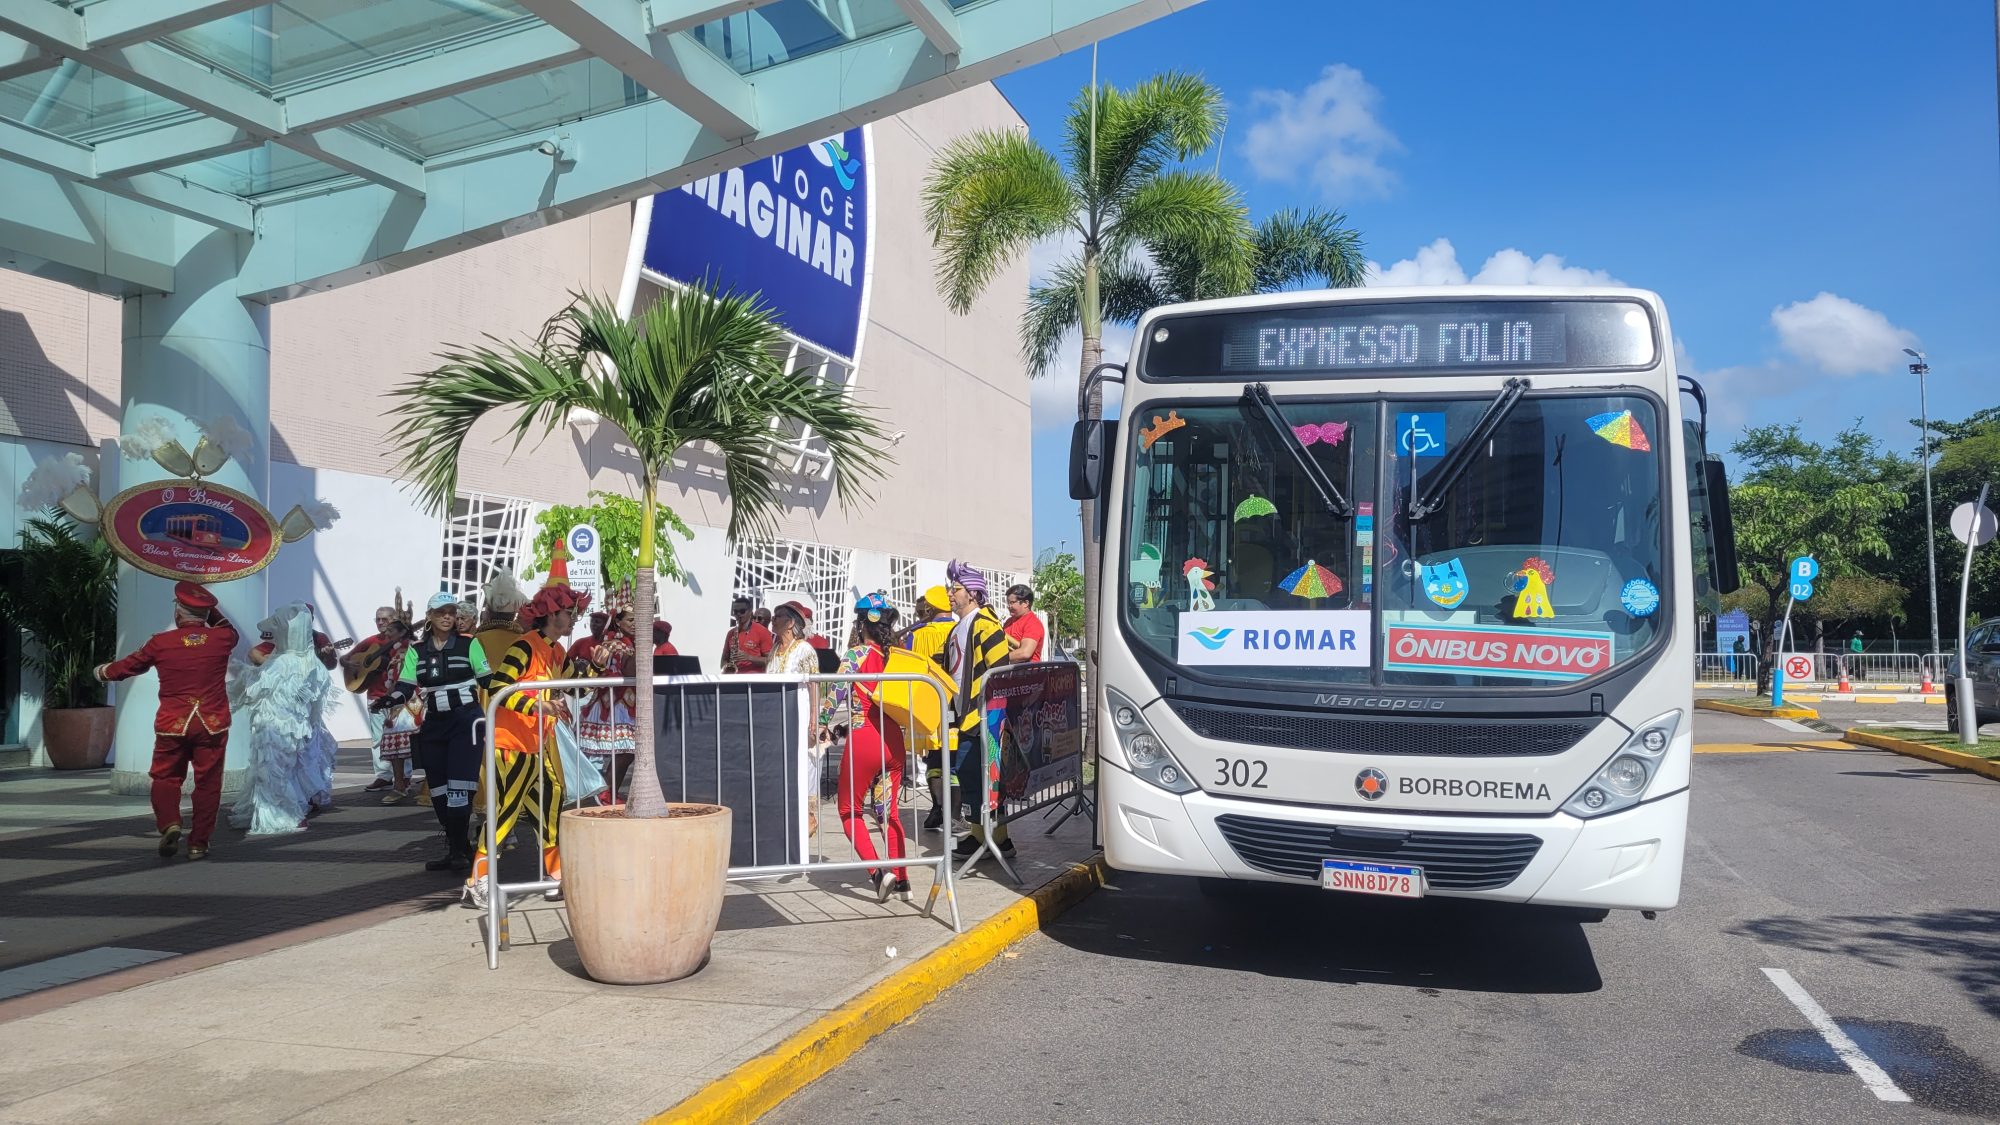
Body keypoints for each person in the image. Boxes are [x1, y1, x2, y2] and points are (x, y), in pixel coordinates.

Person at [94, 582, 237, 860]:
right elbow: (227, 626)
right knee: (208, 783)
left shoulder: (161, 643)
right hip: (212, 722)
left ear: (179, 614)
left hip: (174, 723)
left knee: (165, 777)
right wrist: (207, 604)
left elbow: (129, 666)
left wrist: (103, 672)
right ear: (206, 614)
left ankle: (170, 823)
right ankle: (198, 843)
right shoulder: (222, 640)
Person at [470, 582, 590, 907]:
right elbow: (497, 688)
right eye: (569, 612)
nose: (574, 618)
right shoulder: (524, 647)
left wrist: (598, 666)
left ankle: (555, 876)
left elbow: (576, 686)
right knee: (506, 811)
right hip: (510, 745)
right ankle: (476, 880)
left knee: (551, 803)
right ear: (552, 614)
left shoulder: (557, 651)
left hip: (535, 746)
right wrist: (538, 705)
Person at [374, 592, 493, 874]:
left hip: (466, 723)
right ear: (430, 616)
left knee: (459, 789)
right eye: (441, 612)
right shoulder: (418, 649)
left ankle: (459, 850)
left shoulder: (470, 644)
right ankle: (458, 845)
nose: (447, 616)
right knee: (438, 792)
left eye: (451, 612)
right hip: (434, 724)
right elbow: (405, 685)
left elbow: (489, 680)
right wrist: (389, 700)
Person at [228, 602, 341, 835]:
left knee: (272, 770)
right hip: (290, 730)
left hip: (274, 730)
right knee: (283, 770)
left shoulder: (282, 664)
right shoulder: (309, 665)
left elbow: (253, 688)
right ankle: (281, 808)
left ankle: (279, 813)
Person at [838, 594, 911, 903]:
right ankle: (904, 881)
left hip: (863, 739)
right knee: (887, 813)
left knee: (848, 811)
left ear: (860, 623)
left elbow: (835, 695)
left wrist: (817, 727)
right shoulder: (896, 656)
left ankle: (878, 875)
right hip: (894, 742)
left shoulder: (854, 655)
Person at [945, 560, 1015, 860]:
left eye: (956, 588)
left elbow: (1000, 672)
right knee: (973, 775)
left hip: (983, 717)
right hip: (966, 717)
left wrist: (989, 715)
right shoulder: (956, 629)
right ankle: (989, 837)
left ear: (973, 593)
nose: (950, 593)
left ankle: (991, 838)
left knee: (980, 775)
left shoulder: (986, 625)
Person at [343, 602, 418, 803]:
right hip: (376, 696)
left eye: (386, 620)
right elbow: (345, 659)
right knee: (379, 739)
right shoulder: (371, 642)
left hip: (403, 700)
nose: (382, 623)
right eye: (378, 619)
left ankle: (405, 778)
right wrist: (352, 664)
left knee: (404, 739)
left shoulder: (407, 646)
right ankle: (384, 777)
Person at [901, 587, 957, 831]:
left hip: (927, 705)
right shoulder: (962, 628)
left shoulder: (918, 634)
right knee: (954, 761)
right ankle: (953, 813)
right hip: (957, 703)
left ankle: (939, 808)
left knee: (933, 759)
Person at [576, 598, 639, 797]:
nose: (635, 623)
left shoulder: (624, 643)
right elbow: (628, 673)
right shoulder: (616, 645)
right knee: (625, 752)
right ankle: (604, 793)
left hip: (622, 703)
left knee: (625, 753)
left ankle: (607, 792)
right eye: (630, 620)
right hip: (614, 704)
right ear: (618, 622)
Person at [770, 601, 822, 831]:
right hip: (776, 718)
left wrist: (814, 721)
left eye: (778, 616)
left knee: (804, 766)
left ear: (791, 623)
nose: (773, 620)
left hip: (799, 716)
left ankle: (806, 820)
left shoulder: (804, 649)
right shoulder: (774, 649)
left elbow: (814, 685)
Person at [721, 595, 773, 674]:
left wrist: (748, 657)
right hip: (734, 678)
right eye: (735, 612)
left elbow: (771, 660)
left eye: (742, 611)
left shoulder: (762, 631)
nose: (738, 614)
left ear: (750, 613)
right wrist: (726, 669)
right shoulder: (731, 633)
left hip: (754, 680)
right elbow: (724, 659)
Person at [1003, 584, 1046, 664]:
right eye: (1008, 603)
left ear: (1026, 603)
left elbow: (1025, 653)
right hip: (1008, 672)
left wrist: (998, 658)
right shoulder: (1008, 622)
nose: (1009, 606)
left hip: (1027, 673)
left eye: (1012, 602)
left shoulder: (1033, 623)